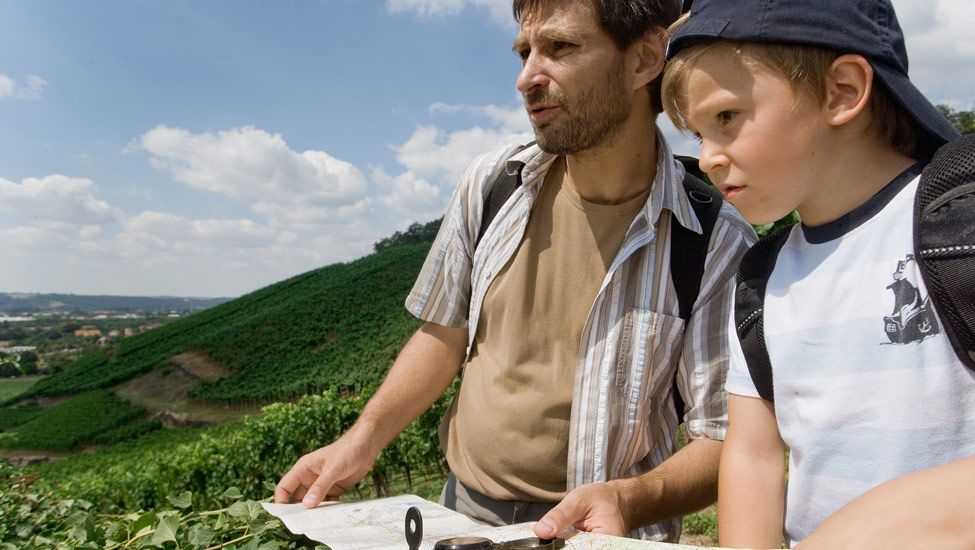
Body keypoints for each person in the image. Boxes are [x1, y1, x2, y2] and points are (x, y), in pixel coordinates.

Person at [275, 0, 754, 542]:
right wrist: (361, 438)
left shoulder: (714, 241)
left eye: (560, 48)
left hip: (600, 535)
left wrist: (628, 498)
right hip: (458, 518)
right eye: (525, 52)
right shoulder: (493, 184)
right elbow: (444, 333)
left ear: (645, 59)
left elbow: (725, 440)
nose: (526, 77)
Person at [661, 0, 975, 548]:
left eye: (727, 118)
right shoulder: (760, 279)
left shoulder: (959, 223)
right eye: (698, 135)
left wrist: (885, 522)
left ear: (843, 92)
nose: (707, 157)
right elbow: (754, 455)